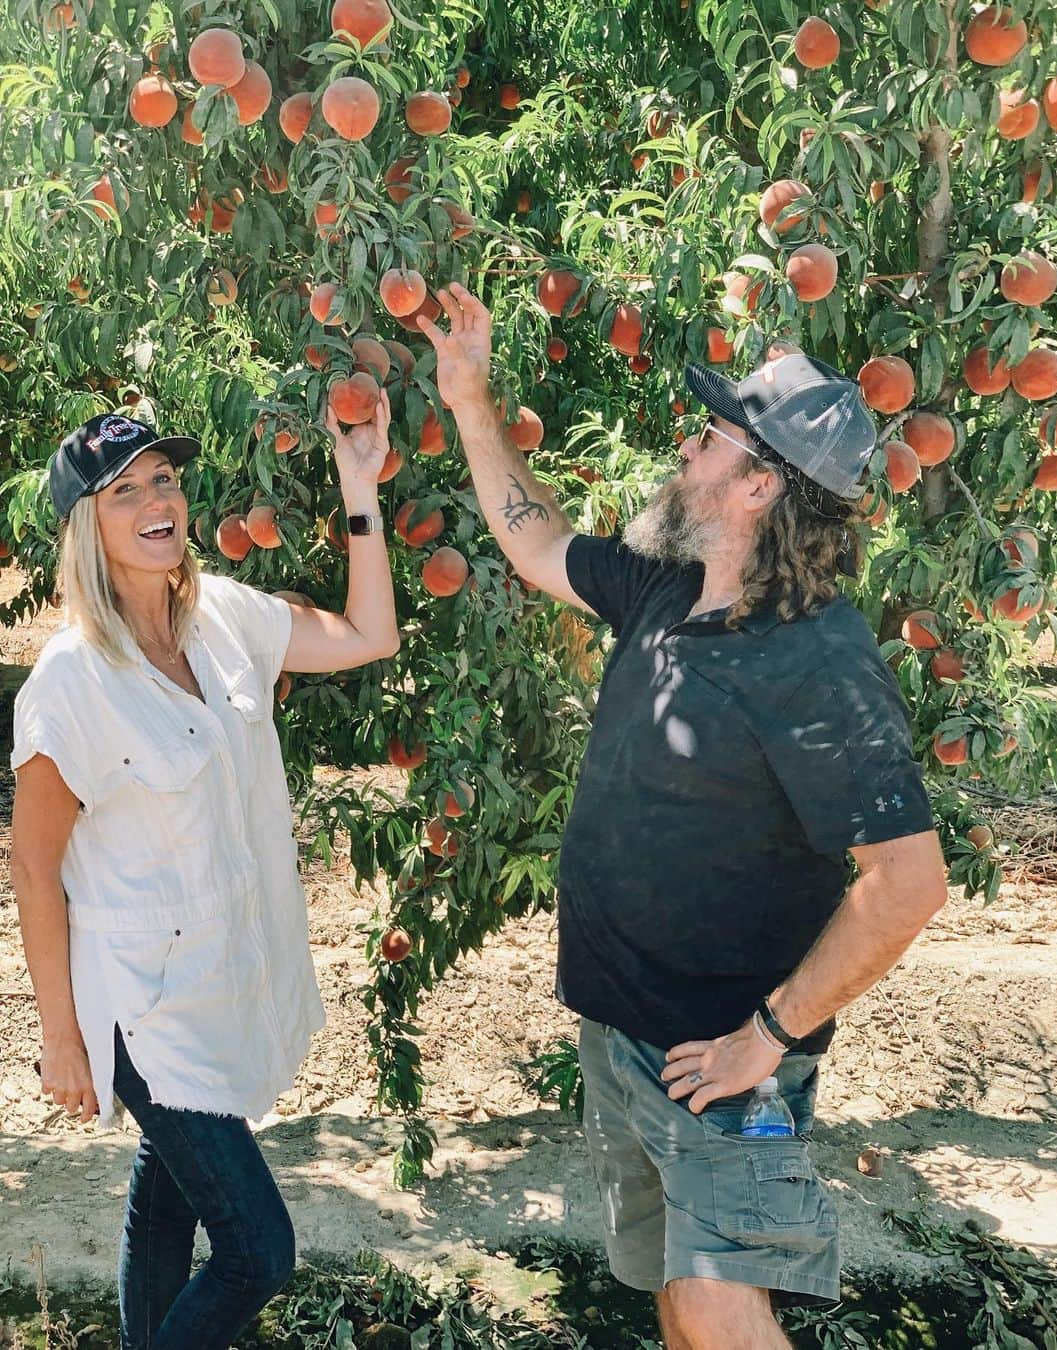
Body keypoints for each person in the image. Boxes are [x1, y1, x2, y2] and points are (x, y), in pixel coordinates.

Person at [417, 285, 947, 1350]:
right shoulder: (669, 588)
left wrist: (771, 1033)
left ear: (758, 486)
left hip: (717, 1051)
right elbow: (538, 544)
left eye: (710, 440)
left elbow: (909, 883)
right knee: (674, 1293)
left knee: (719, 1310)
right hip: (623, 1036)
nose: (686, 450)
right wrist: (470, 402)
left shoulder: (818, 660)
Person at [10, 400, 399, 1350]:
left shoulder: (224, 617)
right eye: (124, 490)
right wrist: (62, 1038)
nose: (157, 500)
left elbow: (367, 634)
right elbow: (32, 866)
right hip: (141, 1009)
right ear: (85, 528)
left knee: (172, 1195)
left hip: (220, 980)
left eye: (165, 478)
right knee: (258, 1251)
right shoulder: (72, 681)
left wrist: (360, 490)